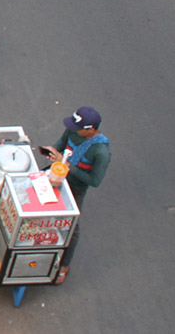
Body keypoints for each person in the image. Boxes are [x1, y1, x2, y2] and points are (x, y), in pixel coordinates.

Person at [42, 106, 110, 285]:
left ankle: (64, 266)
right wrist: (53, 151)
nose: (73, 129)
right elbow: (62, 142)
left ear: (90, 130)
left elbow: (94, 181)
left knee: (72, 228)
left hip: (75, 188)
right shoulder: (73, 132)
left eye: (78, 127)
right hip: (56, 174)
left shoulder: (101, 152)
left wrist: (69, 167)